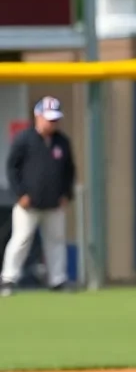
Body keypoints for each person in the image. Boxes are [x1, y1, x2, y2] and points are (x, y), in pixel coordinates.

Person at [1, 96, 75, 296]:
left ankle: (57, 279)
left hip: (54, 203)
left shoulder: (62, 141)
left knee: (56, 240)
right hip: (28, 203)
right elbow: (12, 168)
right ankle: (8, 279)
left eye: (55, 119)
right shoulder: (25, 139)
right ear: (38, 116)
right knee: (21, 240)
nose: (52, 123)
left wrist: (66, 194)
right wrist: (20, 194)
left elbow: (69, 170)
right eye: (48, 118)